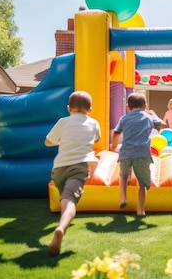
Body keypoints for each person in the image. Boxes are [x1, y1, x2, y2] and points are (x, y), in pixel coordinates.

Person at [44, 91, 101, 256]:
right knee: (70, 202)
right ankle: (61, 228)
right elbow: (97, 139)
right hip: (78, 167)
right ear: (90, 110)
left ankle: (63, 221)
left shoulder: (63, 122)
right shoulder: (93, 123)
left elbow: (48, 142)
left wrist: (62, 141)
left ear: (69, 108)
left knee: (65, 199)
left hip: (59, 169)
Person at [111, 92, 166, 216]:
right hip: (142, 153)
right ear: (145, 105)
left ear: (128, 106)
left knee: (123, 176)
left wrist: (113, 147)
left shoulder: (124, 118)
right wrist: (154, 114)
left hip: (126, 152)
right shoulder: (148, 117)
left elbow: (116, 133)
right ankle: (140, 210)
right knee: (142, 184)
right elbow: (163, 125)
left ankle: (123, 198)